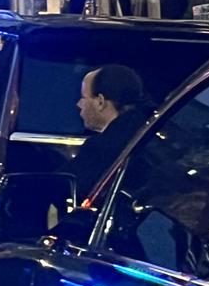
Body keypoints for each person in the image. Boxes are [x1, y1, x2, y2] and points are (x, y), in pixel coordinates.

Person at [63, 64, 151, 194]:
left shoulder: (102, 149)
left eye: (83, 97)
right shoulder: (147, 131)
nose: (79, 104)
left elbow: (66, 188)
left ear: (100, 101)